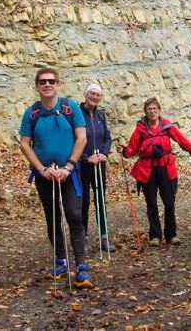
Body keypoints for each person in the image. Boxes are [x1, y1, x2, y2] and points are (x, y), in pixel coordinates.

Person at [19, 67, 93, 288]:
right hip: (45, 175)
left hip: (69, 173)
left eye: (51, 81)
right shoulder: (31, 113)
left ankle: (81, 265)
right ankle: (60, 260)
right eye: (42, 82)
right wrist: (41, 169)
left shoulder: (70, 108)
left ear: (58, 84)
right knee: (52, 217)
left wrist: (69, 166)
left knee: (73, 215)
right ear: (37, 86)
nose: (47, 85)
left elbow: (82, 138)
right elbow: (25, 143)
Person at [121, 97, 191, 246]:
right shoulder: (140, 129)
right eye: (149, 109)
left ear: (159, 110)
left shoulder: (167, 126)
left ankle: (171, 235)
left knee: (169, 202)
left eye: (154, 108)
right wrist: (123, 151)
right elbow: (131, 149)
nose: (152, 111)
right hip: (147, 169)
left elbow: (182, 141)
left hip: (165, 168)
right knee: (151, 203)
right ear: (145, 112)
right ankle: (155, 235)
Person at [79, 83, 116, 254]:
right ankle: (83, 237)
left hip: (99, 164)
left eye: (98, 95)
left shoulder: (101, 115)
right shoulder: (77, 114)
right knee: (84, 201)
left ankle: (104, 236)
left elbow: (107, 138)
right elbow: (74, 140)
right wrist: (86, 158)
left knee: (100, 200)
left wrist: (104, 154)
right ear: (86, 95)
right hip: (82, 166)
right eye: (92, 94)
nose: (94, 97)